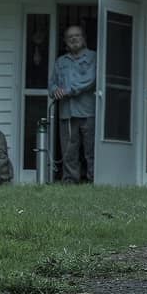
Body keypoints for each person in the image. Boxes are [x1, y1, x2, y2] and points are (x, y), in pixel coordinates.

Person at [49, 25, 96, 184]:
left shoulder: (93, 57)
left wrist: (68, 90)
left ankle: (93, 179)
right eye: (70, 37)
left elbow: (90, 80)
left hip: (87, 111)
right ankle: (70, 180)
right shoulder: (60, 61)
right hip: (66, 112)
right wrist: (55, 91)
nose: (74, 39)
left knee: (91, 149)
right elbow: (52, 84)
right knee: (69, 150)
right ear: (65, 42)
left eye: (77, 36)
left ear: (83, 38)